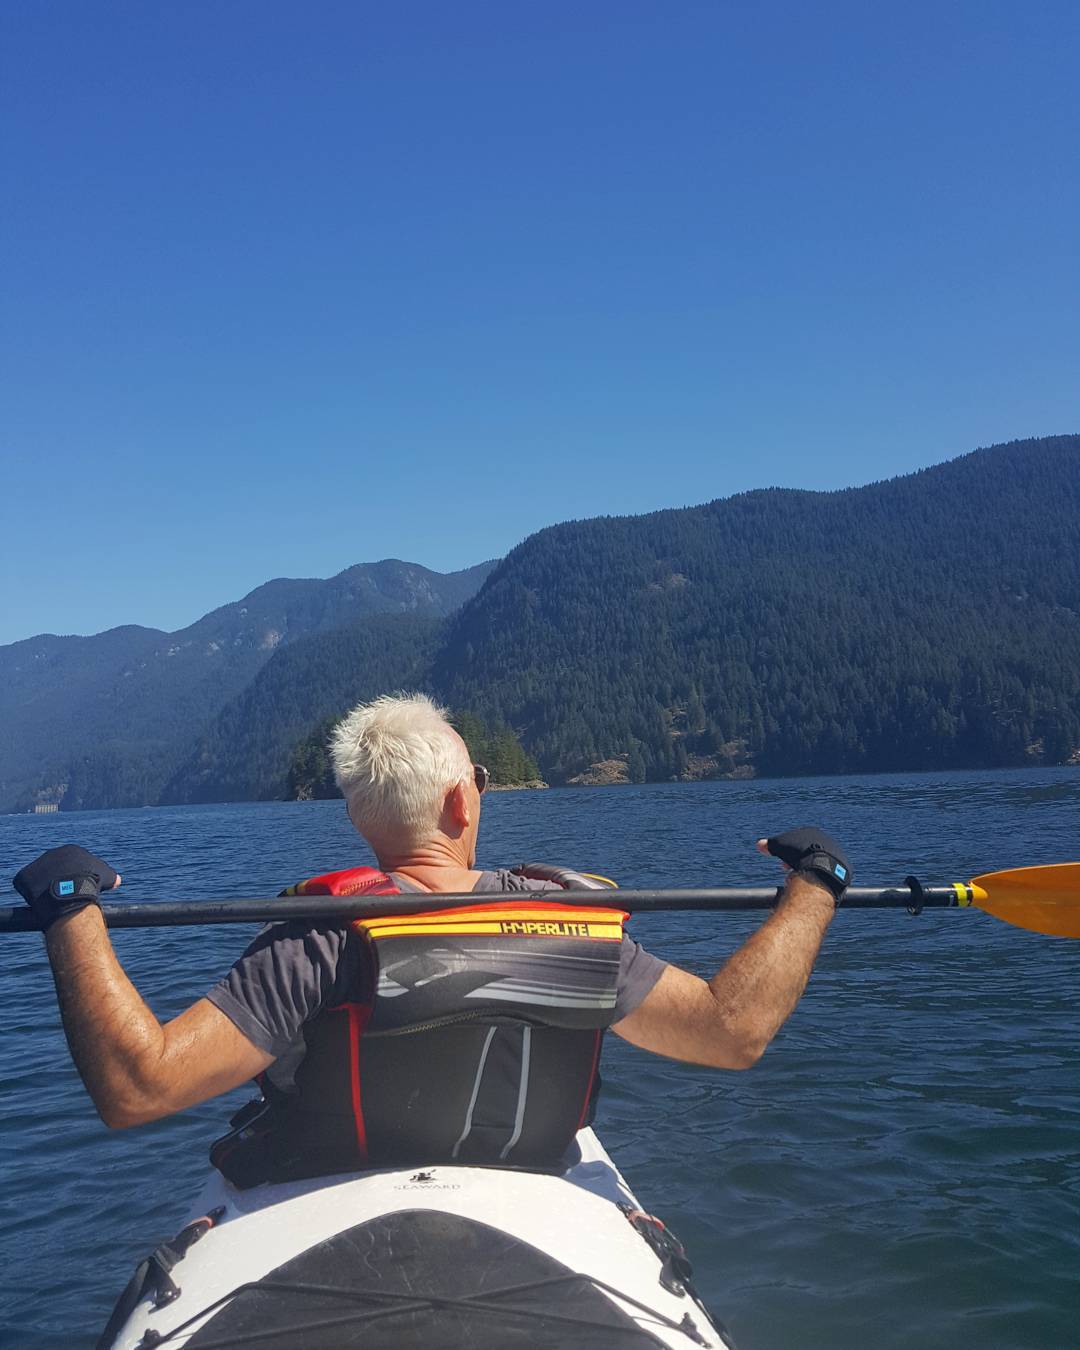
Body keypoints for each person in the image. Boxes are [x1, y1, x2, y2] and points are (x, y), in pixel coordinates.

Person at [13, 693, 851, 1183]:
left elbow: (138, 1086)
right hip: (529, 1197)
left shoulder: (317, 940)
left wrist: (70, 908)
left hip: (331, 1202)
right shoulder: (577, 929)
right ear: (460, 804)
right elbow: (733, 1031)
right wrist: (814, 884)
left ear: (356, 816)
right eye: (478, 780)